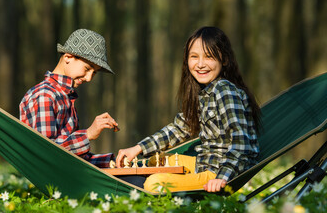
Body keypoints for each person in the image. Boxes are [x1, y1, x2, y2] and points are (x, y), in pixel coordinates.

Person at [116, 26, 261, 192]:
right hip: (204, 163)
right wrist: (137, 149)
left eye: (209, 57)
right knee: (155, 161)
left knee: (154, 183)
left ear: (225, 59)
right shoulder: (204, 93)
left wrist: (222, 177)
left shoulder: (224, 90)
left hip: (220, 171)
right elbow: (178, 129)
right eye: (194, 57)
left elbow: (241, 143)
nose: (200, 64)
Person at [19, 29, 118, 168]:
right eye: (87, 68)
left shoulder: (65, 96)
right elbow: (46, 154)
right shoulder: (44, 96)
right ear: (67, 57)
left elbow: (73, 159)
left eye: (94, 73)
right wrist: (88, 134)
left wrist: (113, 162)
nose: (89, 78)